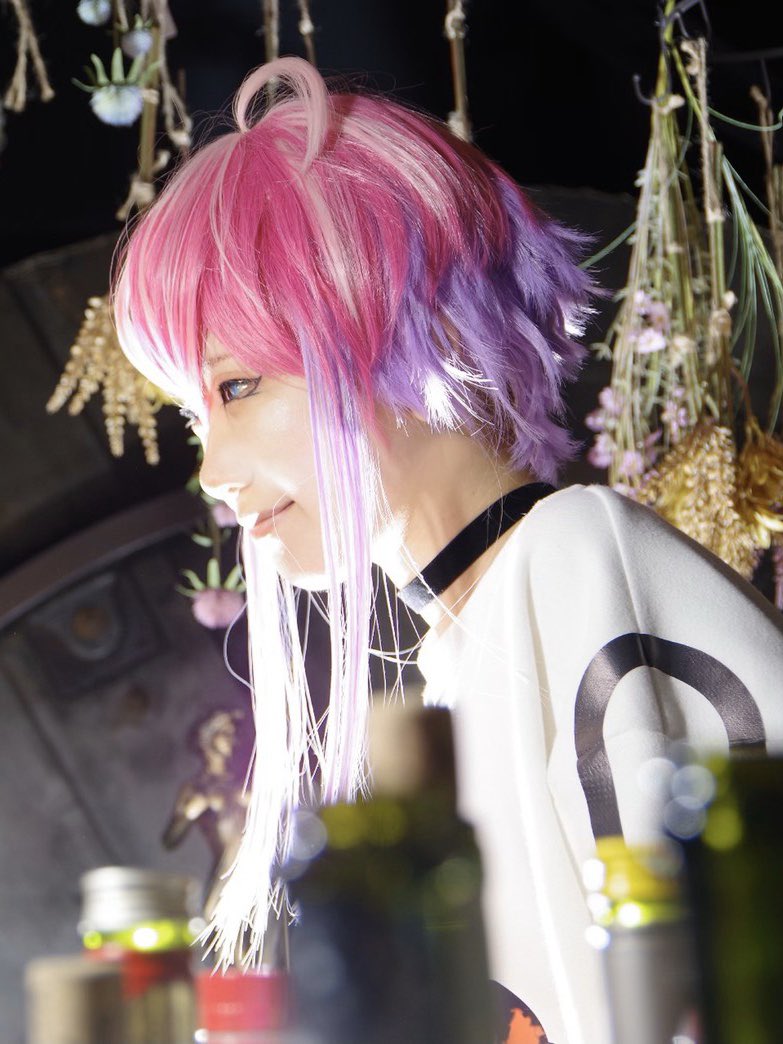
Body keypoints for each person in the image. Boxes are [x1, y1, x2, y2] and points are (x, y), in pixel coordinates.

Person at [113, 56, 783, 1043]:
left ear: (407, 322)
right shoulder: (478, 643)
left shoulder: (571, 565)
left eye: (238, 385)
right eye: (192, 413)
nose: (212, 468)